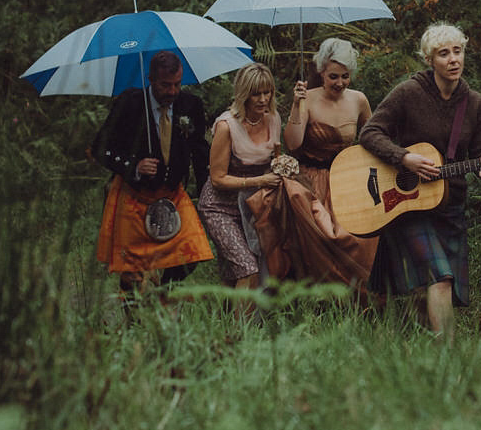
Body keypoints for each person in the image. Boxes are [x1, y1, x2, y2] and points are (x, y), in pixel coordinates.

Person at [359, 23, 481, 338]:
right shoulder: (409, 93)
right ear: (429, 60)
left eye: (458, 51)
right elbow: (369, 132)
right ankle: (449, 360)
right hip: (408, 207)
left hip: (449, 207)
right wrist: (403, 158)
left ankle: (414, 343)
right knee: (441, 278)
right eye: (444, 53)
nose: (453, 59)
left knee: (434, 287)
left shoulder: (475, 104)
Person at [247, 38, 378, 291]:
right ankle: (316, 297)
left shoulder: (359, 100)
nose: (339, 83)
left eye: (345, 76)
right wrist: (297, 104)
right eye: (333, 77)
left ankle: (355, 294)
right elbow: (293, 144)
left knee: (362, 234)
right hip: (312, 178)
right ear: (321, 72)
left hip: (347, 178)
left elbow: (373, 138)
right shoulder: (308, 98)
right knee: (321, 236)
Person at [91, 50, 213, 308]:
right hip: (134, 195)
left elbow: (201, 152)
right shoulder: (129, 103)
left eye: (177, 84)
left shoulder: (190, 105)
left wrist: (206, 193)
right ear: (150, 80)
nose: (172, 91)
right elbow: (100, 147)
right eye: (165, 85)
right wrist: (134, 166)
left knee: (193, 253)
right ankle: (133, 324)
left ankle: (166, 295)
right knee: (132, 269)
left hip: (173, 193)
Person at [198, 62, 282, 289]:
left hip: (253, 207)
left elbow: (274, 159)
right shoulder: (227, 126)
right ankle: (243, 326)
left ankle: (225, 322)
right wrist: (260, 181)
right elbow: (217, 178)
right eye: (256, 94)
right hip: (220, 207)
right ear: (244, 94)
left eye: (267, 92)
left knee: (232, 275)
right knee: (248, 268)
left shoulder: (273, 119)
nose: (263, 99)